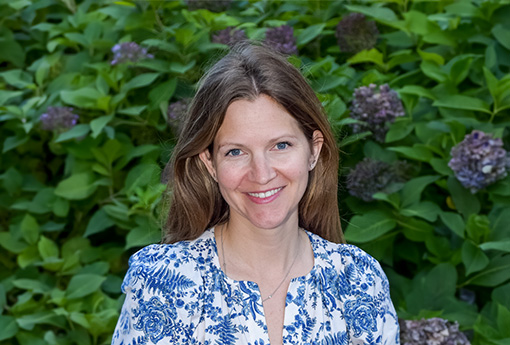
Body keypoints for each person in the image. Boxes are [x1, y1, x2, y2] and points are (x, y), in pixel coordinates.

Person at [112, 42, 400, 345]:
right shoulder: (163, 285)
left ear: (314, 150)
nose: (261, 174)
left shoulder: (359, 281)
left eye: (281, 146)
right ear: (210, 163)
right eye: (236, 152)